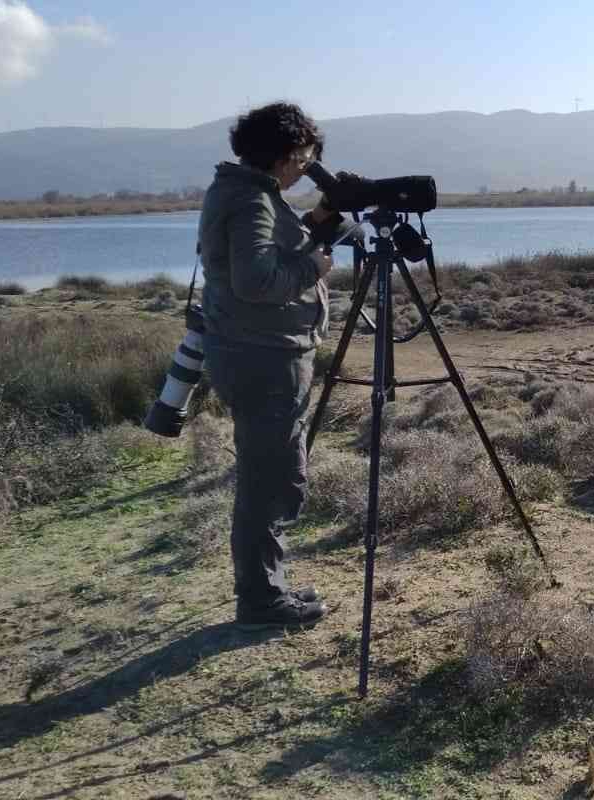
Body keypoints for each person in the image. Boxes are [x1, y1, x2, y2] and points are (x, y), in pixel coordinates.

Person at [198, 102, 347, 627]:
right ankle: (261, 601)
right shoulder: (251, 200)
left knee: (269, 472)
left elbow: (267, 254)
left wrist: (314, 225)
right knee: (273, 477)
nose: (308, 164)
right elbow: (258, 281)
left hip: (255, 350)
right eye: (305, 154)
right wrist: (314, 265)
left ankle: (267, 586)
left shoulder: (246, 192)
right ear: (283, 152)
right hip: (263, 356)